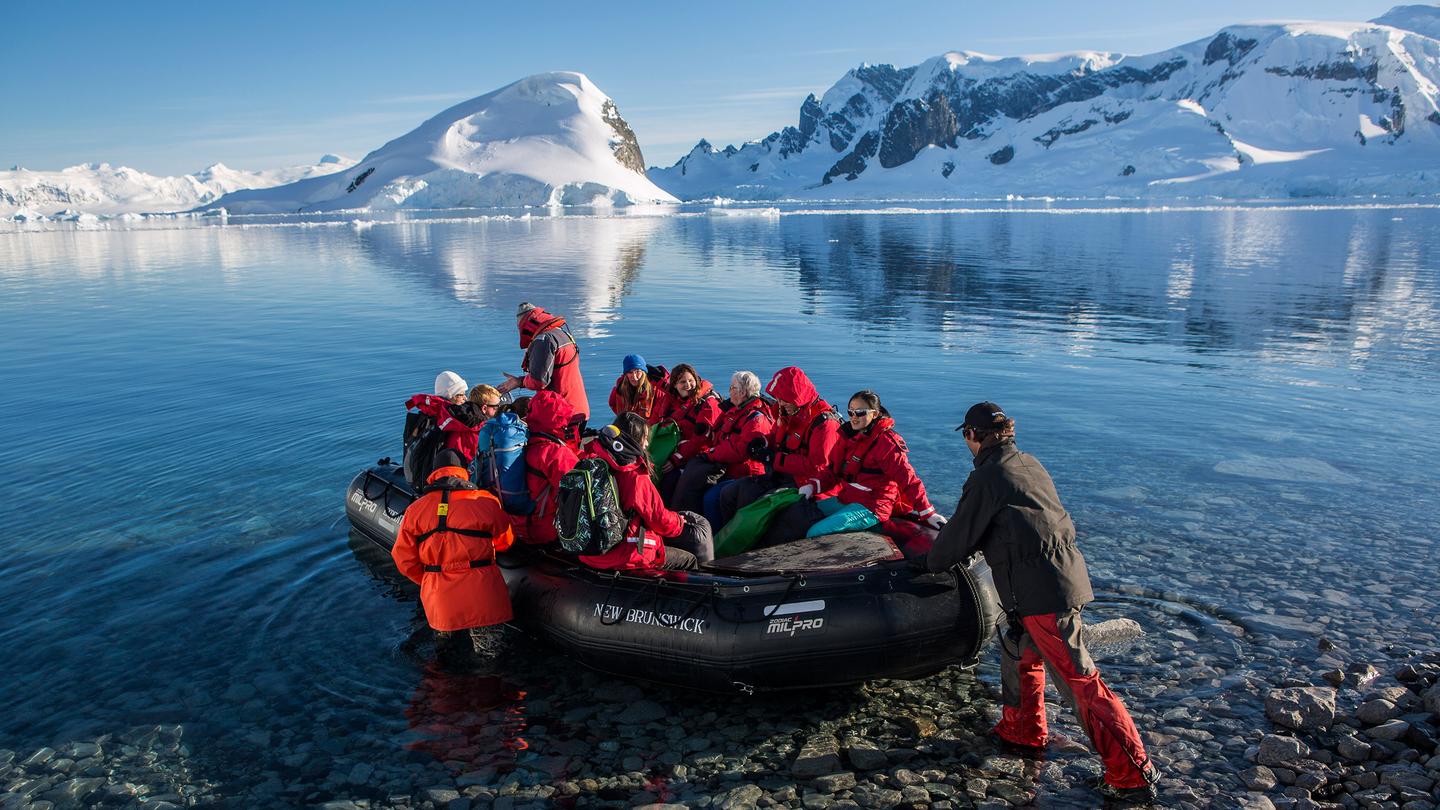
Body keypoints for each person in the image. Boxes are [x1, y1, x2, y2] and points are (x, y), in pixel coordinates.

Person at [926, 402, 1159, 804]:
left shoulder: (989, 476)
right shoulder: (1027, 462)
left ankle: (1133, 772)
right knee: (1019, 654)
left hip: (1044, 595)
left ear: (973, 435)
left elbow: (958, 538)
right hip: (1054, 581)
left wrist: (926, 564)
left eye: (965, 435)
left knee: (1079, 681)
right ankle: (1024, 731)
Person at [762, 389, 941, 544]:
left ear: (875, 414)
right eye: (851, 412)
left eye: (860, 412)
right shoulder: (848, 437)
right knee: (799, 513)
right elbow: (833, 472)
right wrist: (813, 486)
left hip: (872, 507)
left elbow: (908, 479)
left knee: (816, 533)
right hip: (847, 498)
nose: (854, 417)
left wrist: (928, 513)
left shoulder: (886, 443)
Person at [391, 464, 515, 662]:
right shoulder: (486, 501)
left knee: (444, 657)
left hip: (439, 597)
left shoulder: (415, 510)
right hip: (483, 595)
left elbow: (403, 559)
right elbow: (505, 542)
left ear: (434, 475)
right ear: (464, 473)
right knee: (491, 659)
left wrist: (429, 580)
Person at [579, 413, 714, 570]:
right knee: (688, 559)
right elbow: (659, 520)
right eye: (644, 438)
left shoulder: (593, 462)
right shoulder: (634, 475)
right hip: (623, 555)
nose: (646, 443)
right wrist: (679, 522)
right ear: (633, 439)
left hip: (589, 551)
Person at [716, 366, 841, 529]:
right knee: (728, 494)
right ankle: (727, 538)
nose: (780, 402)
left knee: (754, 506)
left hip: (804, 485)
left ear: (797, 396)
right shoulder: (789, 412)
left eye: (784, 399)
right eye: (779, 398)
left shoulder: (825, 425)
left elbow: (817, 467)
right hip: (780, 475)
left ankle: (749, 548)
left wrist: (776, 459)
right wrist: (763, 443)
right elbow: (776, 437)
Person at [669, 371, 774, 515]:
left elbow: (740, 451)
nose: (729, 390)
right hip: (725, 467)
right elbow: (715, 435)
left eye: (733, 388)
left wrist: (711, 454)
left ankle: (713, 533)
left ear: (743, 392)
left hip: (745, 474)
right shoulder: (733, 411)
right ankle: (682, 521)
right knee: (687, 477)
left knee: (711, 497)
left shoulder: (756, 419)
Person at [498, 302, 589, 436]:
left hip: (561, 413)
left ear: (525, 324)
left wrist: (519, 382)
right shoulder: (562, 334)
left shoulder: (544, 340)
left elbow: (539, 381)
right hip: (578, 408)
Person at [522, 390, 581, 549]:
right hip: (546, 531)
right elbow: (579, 487)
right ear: (558, 421)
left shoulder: (526, 441)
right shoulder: (555, 453)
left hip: (520, 525)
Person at [405, 381, 499, 470]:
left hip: (446, 464)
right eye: (496, 407)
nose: (498, 410)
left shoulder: (453, 417)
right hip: (462, 474)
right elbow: (473, 458)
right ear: (484, 408)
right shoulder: (477, 428)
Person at [608, 353, 662, 421]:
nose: (634, 377)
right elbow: (612, 404)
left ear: (644, 372)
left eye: (637, 371)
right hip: (626, 428)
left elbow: (660, 415)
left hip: (648, 429)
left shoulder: (655, 391)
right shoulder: (619, 389)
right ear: (625, 374)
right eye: (630, 372)